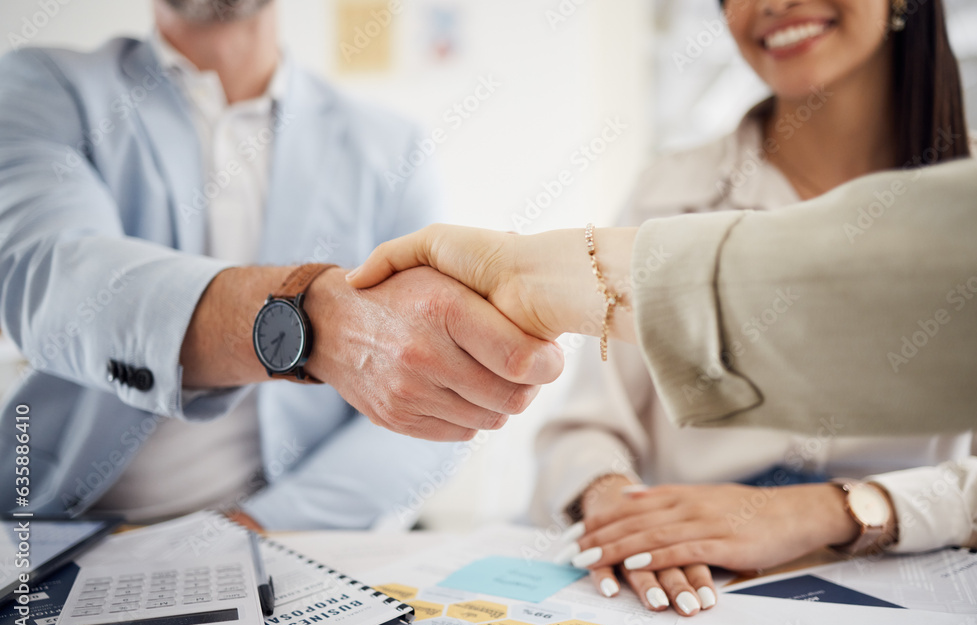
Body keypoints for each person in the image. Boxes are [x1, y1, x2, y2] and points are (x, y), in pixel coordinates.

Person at [347, 0, 977, 614]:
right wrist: (614, 503)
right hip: (692, 588)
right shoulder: (671, 190)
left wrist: (845, 508)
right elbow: (583, 428)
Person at [0, 0, 562, 530]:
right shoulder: (43, 87)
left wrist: (260, 531)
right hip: (62, 530)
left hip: (284, 540)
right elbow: (52, 276)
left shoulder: (390, 148)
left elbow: (423, 409)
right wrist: (308, 318)